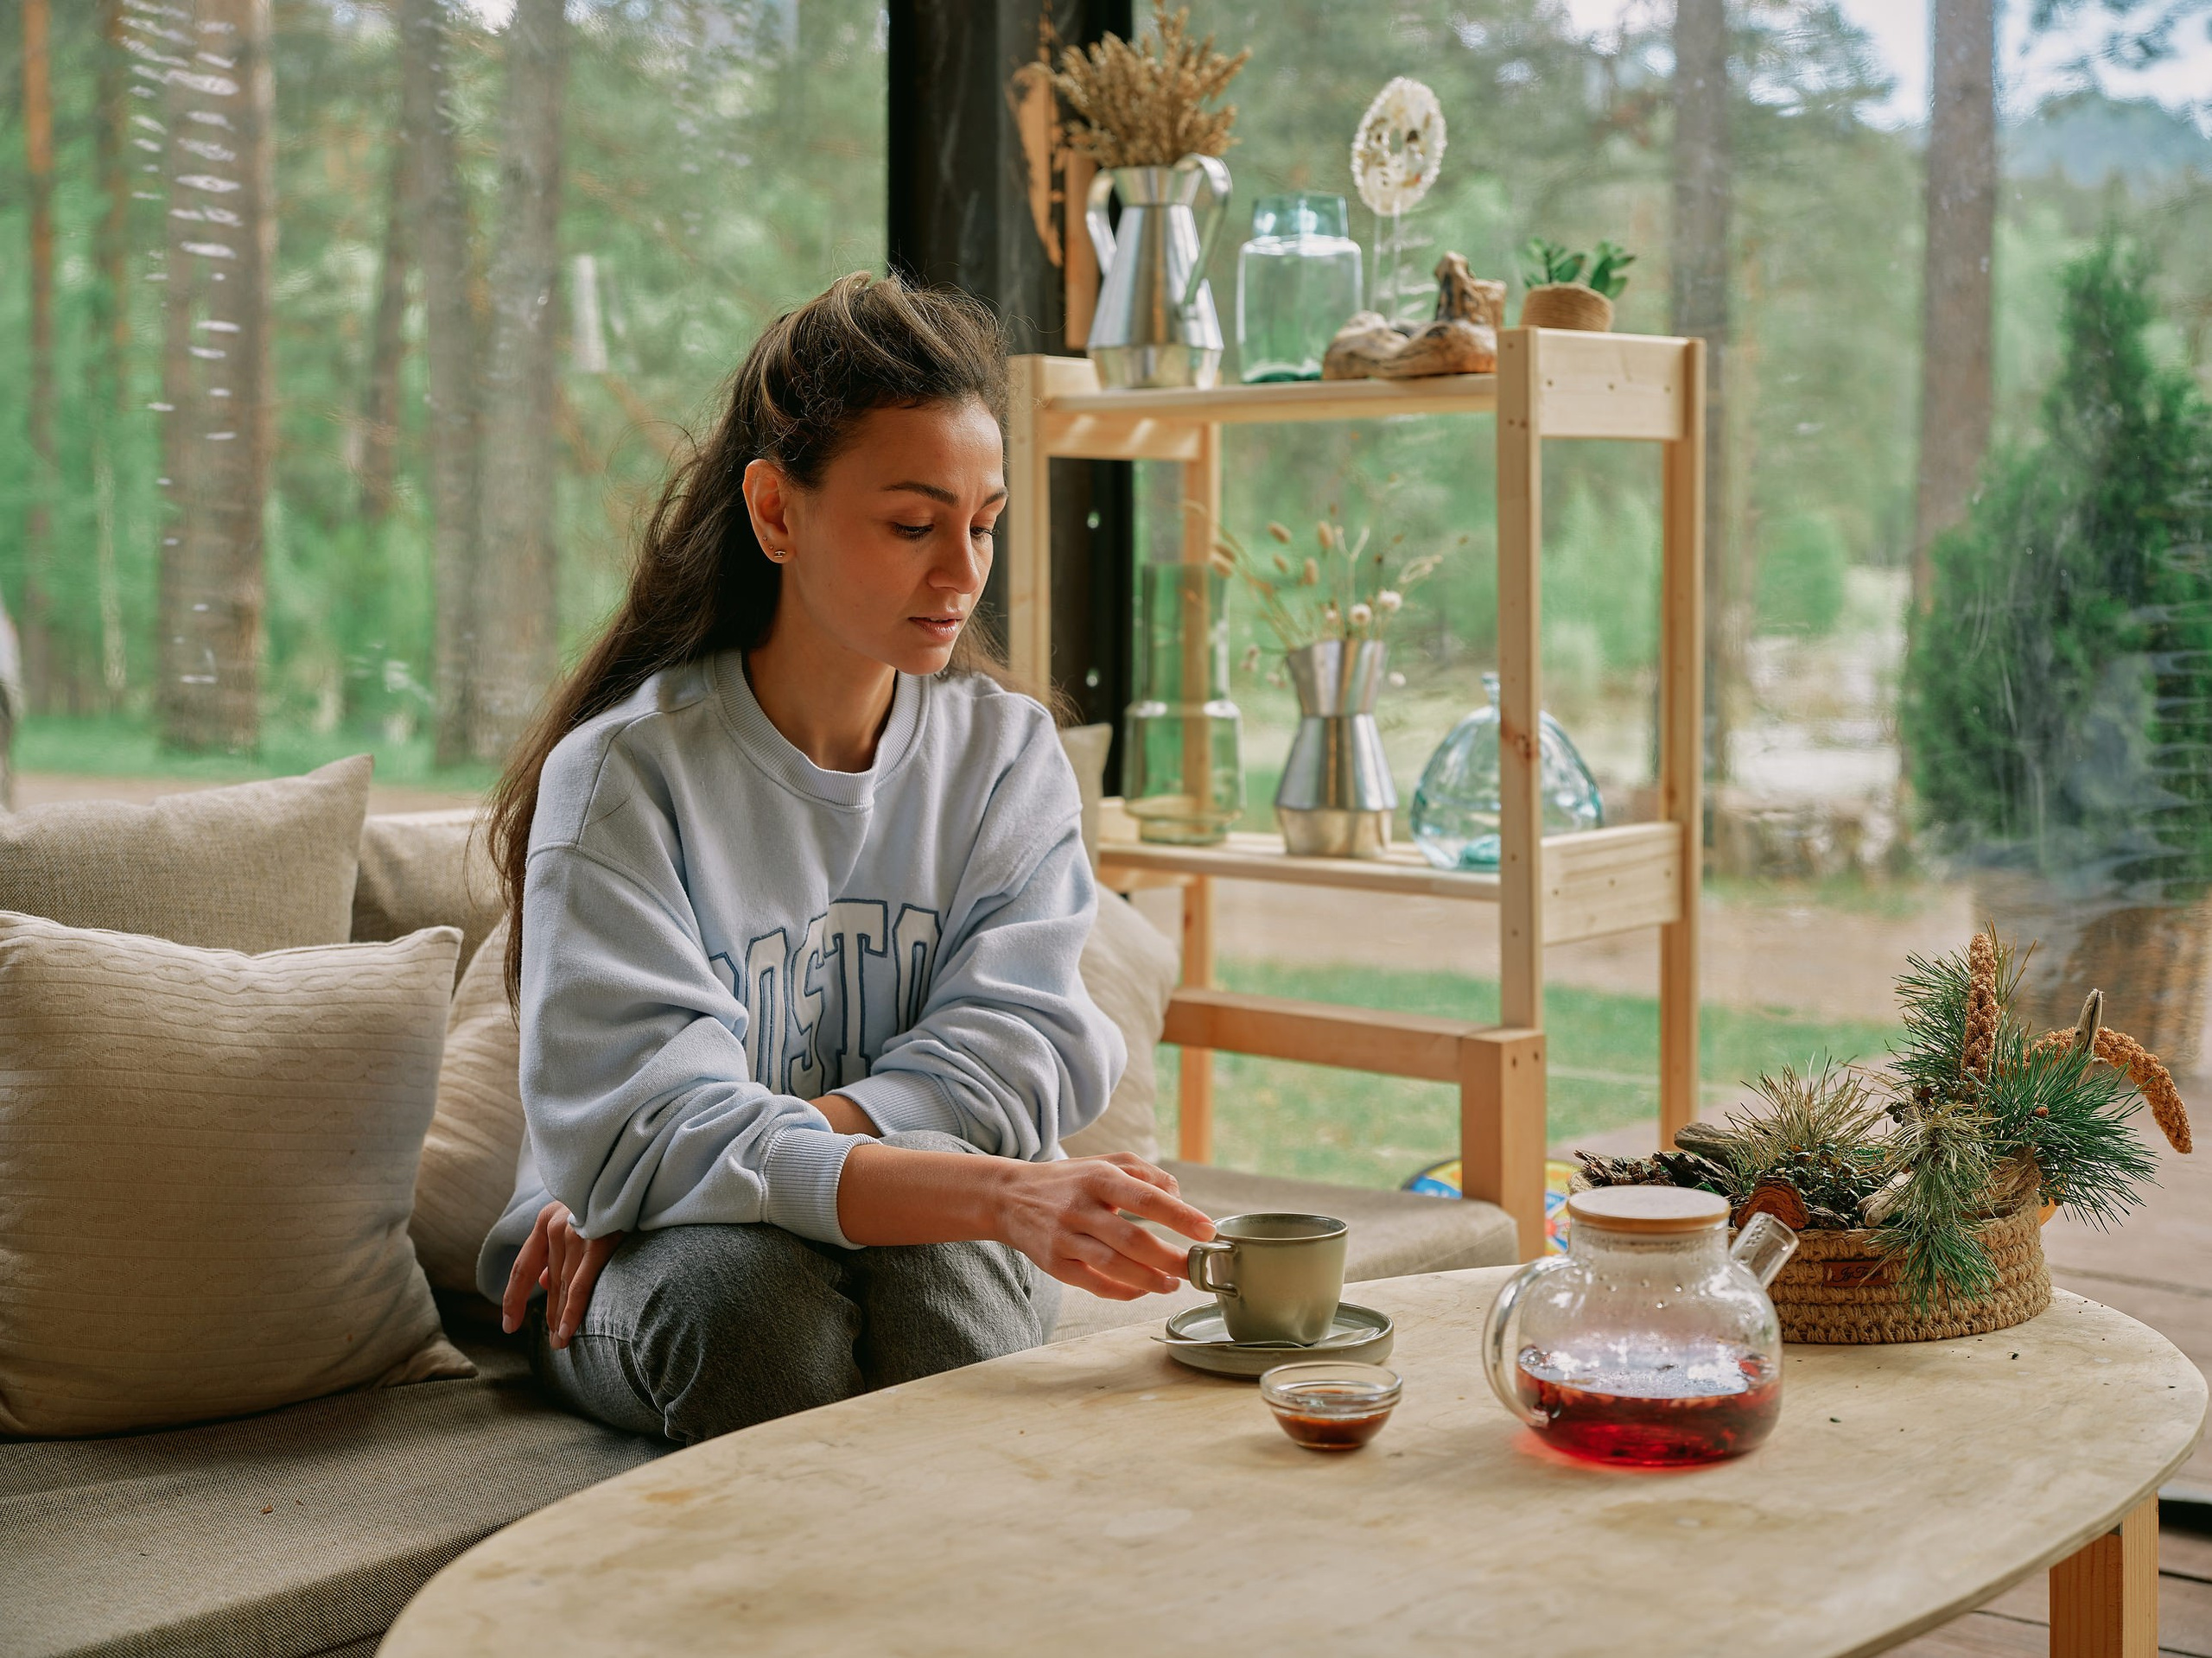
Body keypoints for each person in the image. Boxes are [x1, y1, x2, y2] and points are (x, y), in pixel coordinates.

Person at [475, 272, 1215, 1445]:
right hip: (652, 1263)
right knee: (750, 1300)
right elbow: (643, 1136)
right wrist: (671, 1177)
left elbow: (1021, 1060)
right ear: (777, 513)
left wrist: (723, 1155)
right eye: (914, 525)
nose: (963, 574)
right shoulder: (627, 776)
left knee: (940, 1274)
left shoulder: (1007, 754)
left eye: (982, 523)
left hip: (767, 1212)